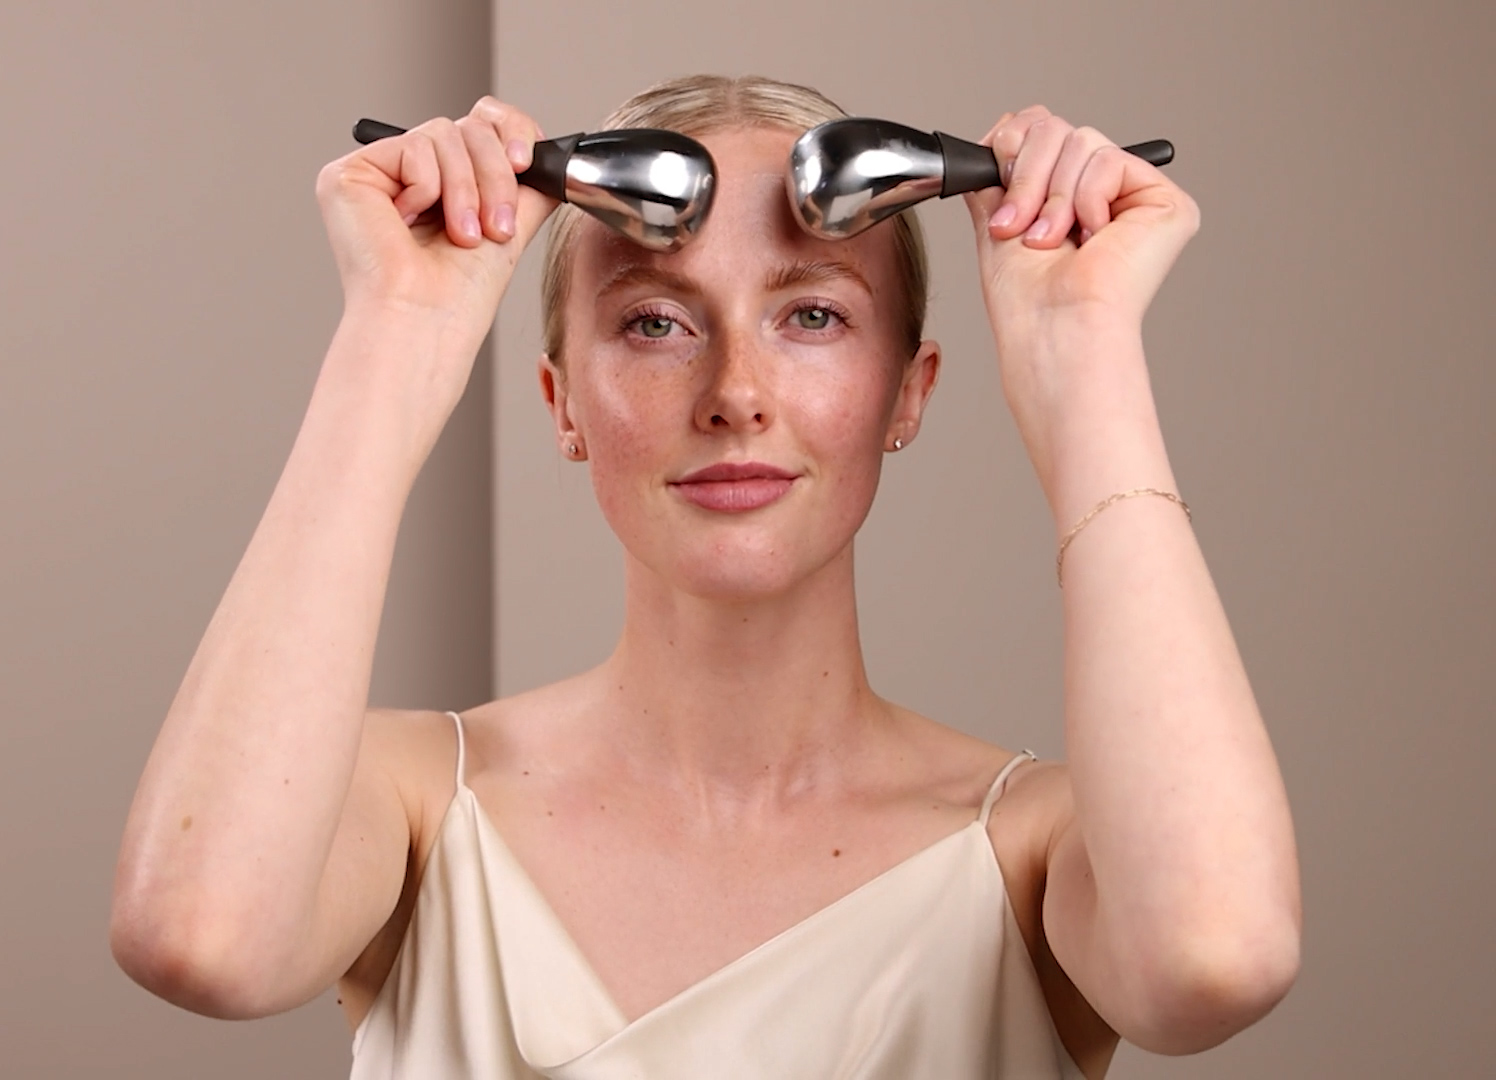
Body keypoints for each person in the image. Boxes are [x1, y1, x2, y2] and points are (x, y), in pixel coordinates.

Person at [108, 75, 1301, 1079]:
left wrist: (1080, 349)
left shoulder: (1032, 850)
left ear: (911, 391)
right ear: (560, 401)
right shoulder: (414, 806)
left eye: (814, 316)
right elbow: (200, 939)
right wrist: (397, 333)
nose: (736, 390)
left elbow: (1218, 958)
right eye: (655, 324)